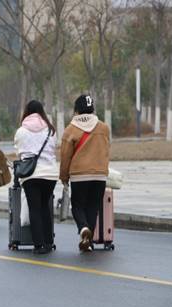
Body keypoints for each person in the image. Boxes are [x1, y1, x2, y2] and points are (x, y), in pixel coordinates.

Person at [60, 95, 110, 252]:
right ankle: (88, 243)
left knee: (77, 206)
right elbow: (107, 151)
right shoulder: (104, 128)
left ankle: (83, 229)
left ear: (76, 111)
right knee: (93, 207)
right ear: (92, 109)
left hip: (80, 175)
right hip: (100, 175)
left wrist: (64, 177)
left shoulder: (70, 129)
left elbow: (65, 156)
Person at [14, 100, 58, 254]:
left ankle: (38, 244)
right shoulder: (51, 130)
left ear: (26, 112)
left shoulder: (21, 131)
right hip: (50, 174)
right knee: (45, 207)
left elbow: (19, 152)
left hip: (31, 174)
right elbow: (53, 150)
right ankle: (48, 242)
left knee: (34, 208)